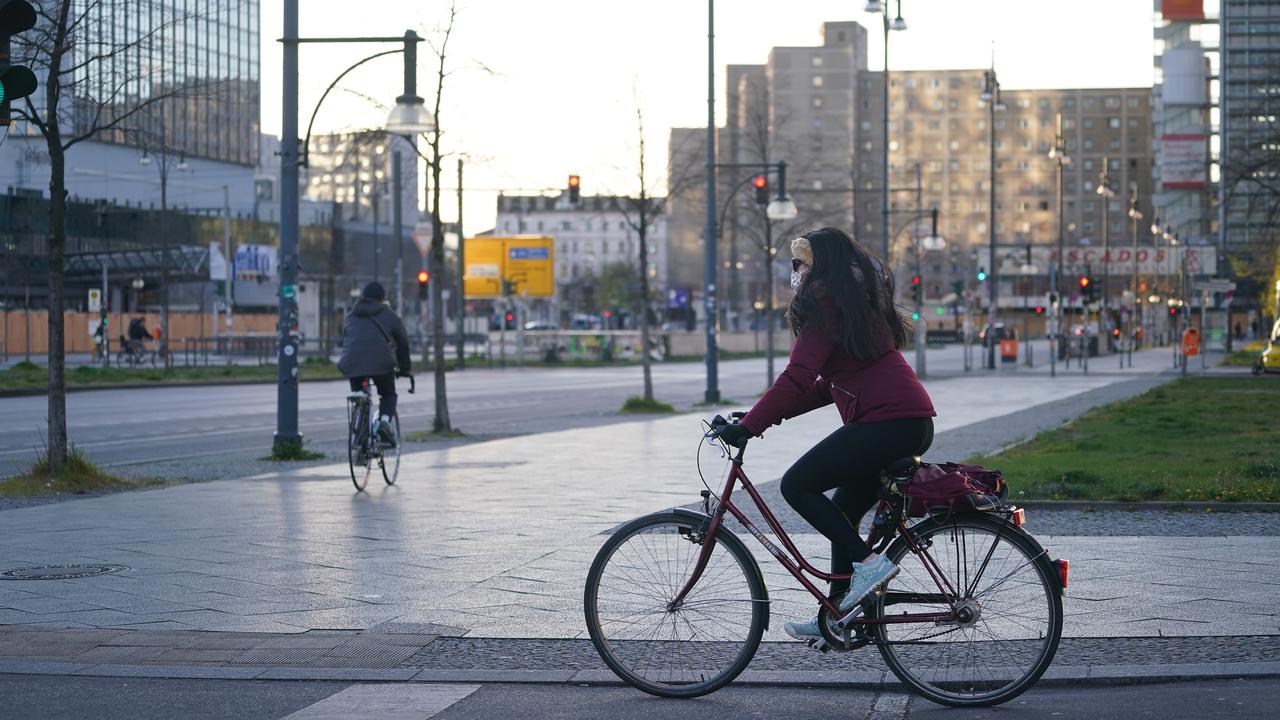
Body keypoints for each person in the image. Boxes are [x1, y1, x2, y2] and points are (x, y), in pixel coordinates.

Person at [716, 227, 936, 646]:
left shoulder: (824, 304)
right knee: (844, 509)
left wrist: (748, 428)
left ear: (819, 269)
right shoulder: (847, 305)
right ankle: (838, 616)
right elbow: (822, 384)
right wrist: (763, 417)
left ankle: (869, 567)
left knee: (797, 485)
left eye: (799, 263)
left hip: (887, 423)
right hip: (906, 422)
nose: (793, 271)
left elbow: (797, 376)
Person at [338, 282, 411, 446]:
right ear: (382, 298)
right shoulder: (389, 315)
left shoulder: (350, 316)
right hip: (382, 363)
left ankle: (359, 434)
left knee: (359, 395)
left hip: (352, 362)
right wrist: (404, 368)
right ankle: (384, 423)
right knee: (388, 394)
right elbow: (403, 342)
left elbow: (346, 336)